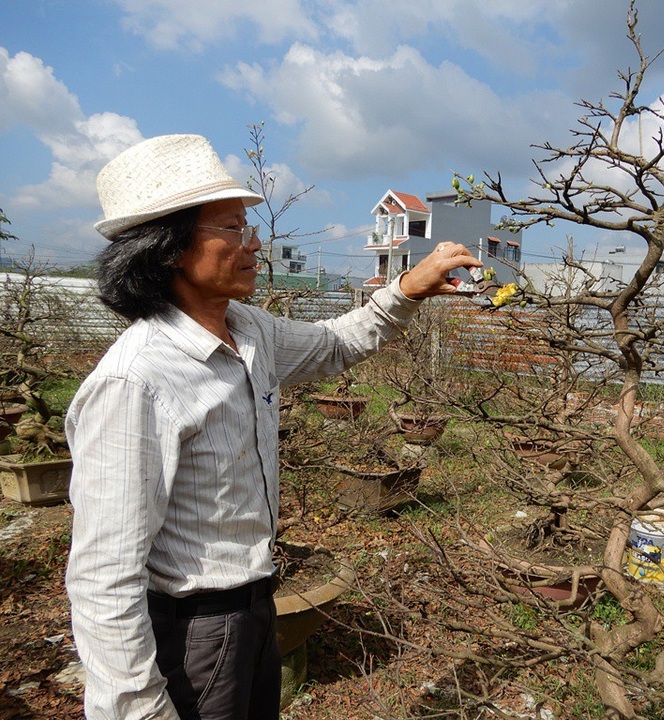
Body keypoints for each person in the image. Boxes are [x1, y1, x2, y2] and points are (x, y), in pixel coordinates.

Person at [65, 133, 482, 720]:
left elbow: (334, 344)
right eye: (233, 229)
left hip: (255, 610)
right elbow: (104, 573)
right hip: (194, 634)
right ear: (166, 249)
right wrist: (134, 707)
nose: (254, 244)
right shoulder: (136, 382)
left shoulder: (248, 330)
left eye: (249, 228)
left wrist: (407, 289)